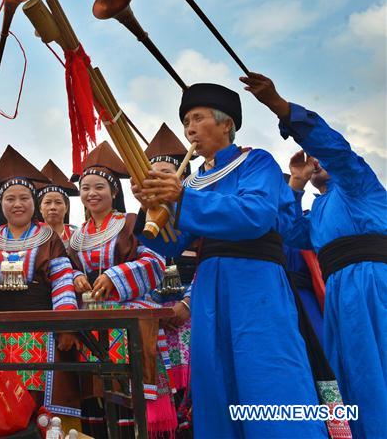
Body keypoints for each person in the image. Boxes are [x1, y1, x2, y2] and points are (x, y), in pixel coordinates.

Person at [133, 83, 326, 437]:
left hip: (255, 281)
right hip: (208, 287)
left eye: (198, 118)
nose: (189, 128)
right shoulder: (193, 181)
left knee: (267, 373)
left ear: (226, 124)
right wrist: (151, 207)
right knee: (215, 376)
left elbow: (256, 214)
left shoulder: (256, 162)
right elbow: (172, 245)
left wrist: (182, 199)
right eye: (186, 122)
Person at [243, 71, 386, 438]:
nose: (316, 160)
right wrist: (295, 183)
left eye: (319, 156)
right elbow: (290, 231)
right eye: (312, 158)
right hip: (339, 294)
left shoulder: (358, 185)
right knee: (351, 375)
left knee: (379, 368)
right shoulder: (319, 210)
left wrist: (281, 107)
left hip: (373, 284)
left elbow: (338, 152)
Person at [66, 142, 169, 438]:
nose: (92, 193)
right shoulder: (77, 236)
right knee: (97, 393)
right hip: (92, 321)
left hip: (127, 318)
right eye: (86, 188)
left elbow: (156, 261)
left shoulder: (130, 223)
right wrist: (76, 277)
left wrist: (114, 276)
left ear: (114, 192)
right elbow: (67, 267)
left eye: (99, 187)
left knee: (129, 390)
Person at [0, 146, 81, 429]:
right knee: (5, 400)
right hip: (1, 331)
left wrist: (66, 325)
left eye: (24, 198)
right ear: (1, 204)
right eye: (9, 199)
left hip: (42, 328)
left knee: (43, 402)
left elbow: (62, 280)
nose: (17, 204)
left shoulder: (49, 237)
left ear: (34, 203)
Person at [143, 124, 196, 438]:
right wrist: (152, 310)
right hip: (156, 320)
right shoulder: (138, 222)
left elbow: (210, 265)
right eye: (153, 174)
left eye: (167, 173)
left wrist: (188, 303)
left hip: (193, 316)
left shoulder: (198, 215)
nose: (159, 179)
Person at [35, 159, 78, 248]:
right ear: (40, 208)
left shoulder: (78, 237)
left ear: (66, 207)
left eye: (58, 202)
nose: (53, 207)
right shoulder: (30, 238)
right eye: (47, 202)